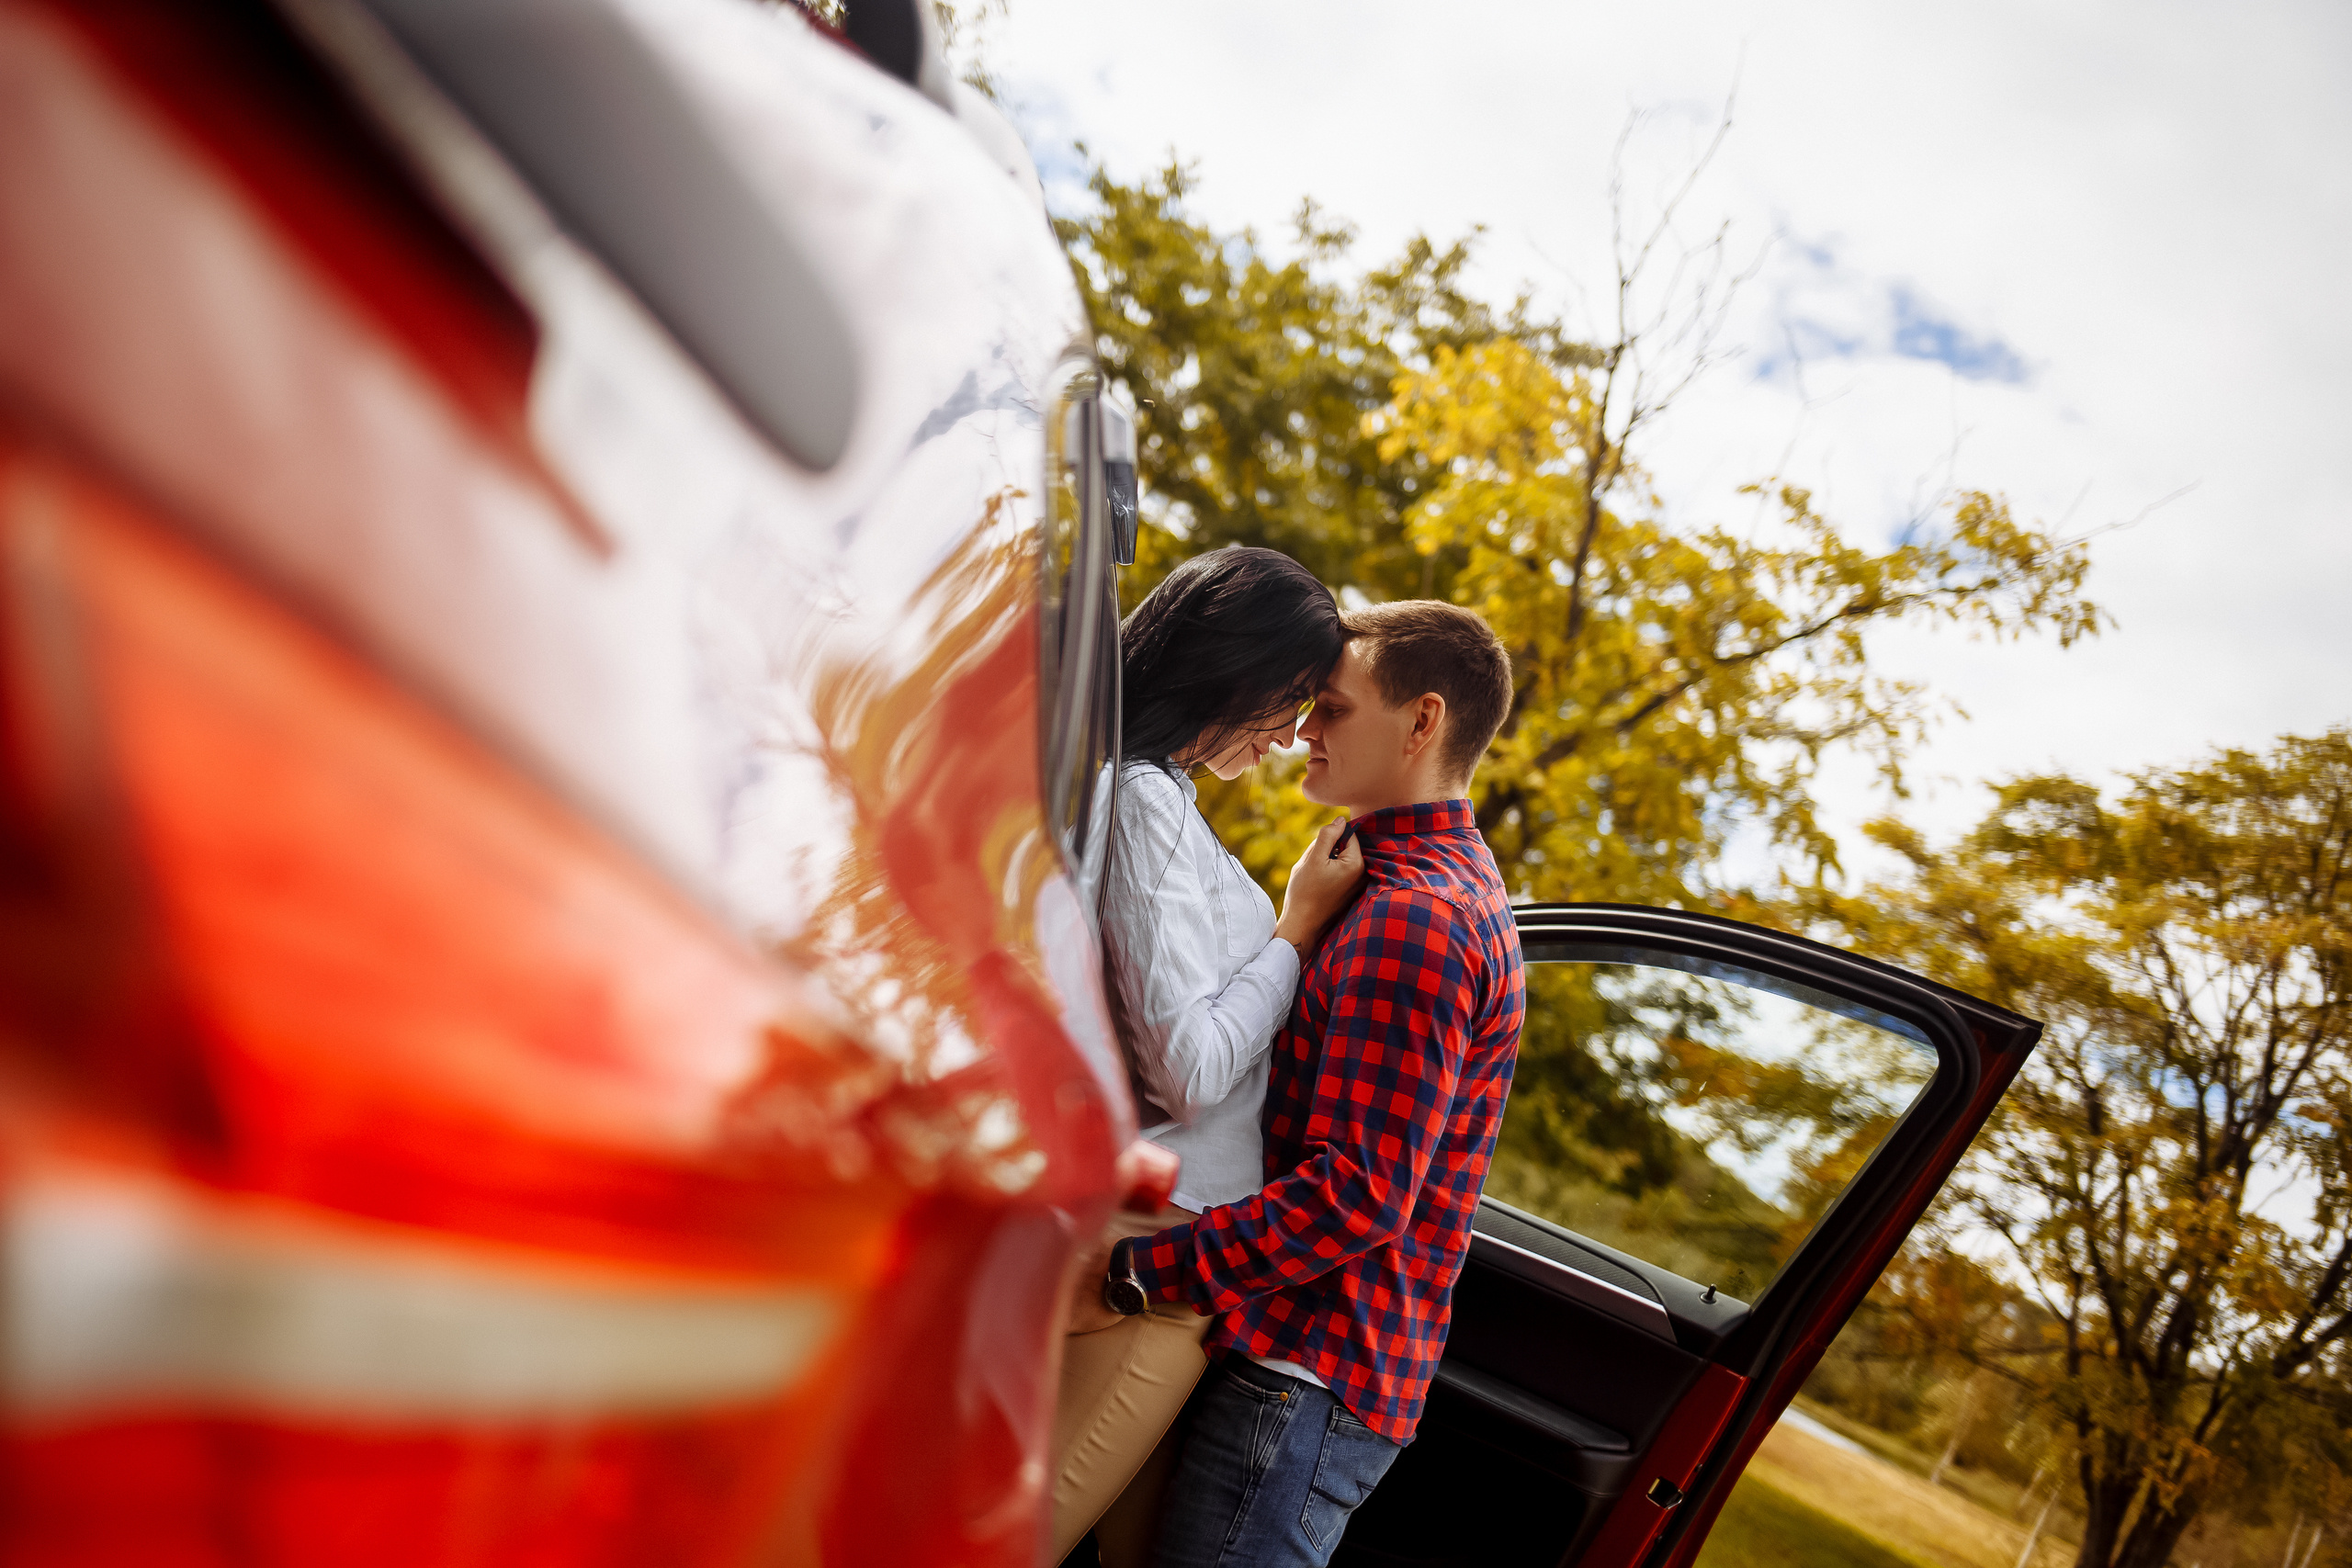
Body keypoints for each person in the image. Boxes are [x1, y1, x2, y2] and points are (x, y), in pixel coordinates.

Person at [1074, 599, 1526, 1568]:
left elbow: (1359, 1195)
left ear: (1422, 723)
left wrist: (1140, 1273)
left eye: (1331, 707)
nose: (1301, 731)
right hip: (1281, 1354)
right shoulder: (1395, 885)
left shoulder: (1419, 920)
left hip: (1302, 1373)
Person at [1050, 547, 1369, 1566]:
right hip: (1161, 1245)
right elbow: (1186, 1065)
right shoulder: (1138, 801)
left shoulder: (1163, 801)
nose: (1289, 735)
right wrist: (1295, 933)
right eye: (1289, 701)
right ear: (1232, 668)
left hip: (1182, 1242)